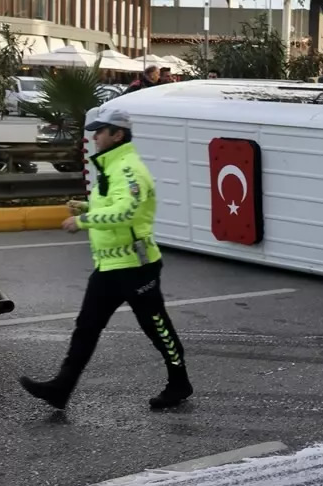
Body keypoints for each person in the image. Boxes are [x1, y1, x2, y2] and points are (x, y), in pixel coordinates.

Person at [19, 106, 193, 411]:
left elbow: (127, 211)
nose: (95, 136)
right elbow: (113, 205)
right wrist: (86, 207)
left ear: (118, 134)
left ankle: (179, 382)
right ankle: (61, 388)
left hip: (137, 268)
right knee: (86, 326)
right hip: (109, 268)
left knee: (157, 327)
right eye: (95, 131)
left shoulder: (128, 168)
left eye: (101, 131)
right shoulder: (111, 167)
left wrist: (83, 222)